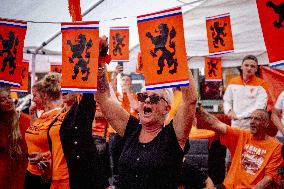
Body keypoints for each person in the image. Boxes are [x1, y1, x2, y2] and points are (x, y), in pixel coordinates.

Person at [96, 61, 197, 189]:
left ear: (166, 108)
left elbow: (190, 101)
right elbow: (104, 99)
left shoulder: (173, 135)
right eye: (143, 97)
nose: (147, 100)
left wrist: (179, 58)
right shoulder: (131, 129)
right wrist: (99, 66)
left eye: (154, 98)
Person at [196, 106, 283, 189]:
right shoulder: (242, 135)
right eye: (251, 118)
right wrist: (198, 108)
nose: (252, 121)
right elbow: (216, 124)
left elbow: (268, 178)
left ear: (266, 123)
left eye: (257, 119)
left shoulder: (276, 147)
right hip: (228, 186)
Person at [47, 92, 110, 189]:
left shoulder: (82, 111)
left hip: (73, 179)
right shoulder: (56, 115)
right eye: (62, 85)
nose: (64, 90)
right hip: (55, 178)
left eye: (68, 85)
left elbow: (88, 99)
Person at [24, 73, 62, 189]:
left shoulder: (57, 115)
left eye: (35, 95)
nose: (33, 99)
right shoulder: (42, 115)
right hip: (31, 171)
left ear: (44, 95)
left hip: (46, 174)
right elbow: (34, 132)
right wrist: (32, 114)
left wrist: (43, 156)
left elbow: (59, 148)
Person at [223, 55, 269, 129]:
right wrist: (229, 111)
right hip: (235, 123)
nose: (249, 68)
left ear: (256, 69)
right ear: (241, 67)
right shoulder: (233, 81)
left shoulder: (262, 84)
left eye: (252, 66)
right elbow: (226, 100)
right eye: (246, 65)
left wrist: (239, 116)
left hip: (252, 124)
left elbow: (259, 107)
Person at [0, 86, 29, 189]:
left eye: (8, 97)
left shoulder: (26, 120)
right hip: (3, 176)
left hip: (22, 172)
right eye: (3, 100)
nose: (8, 101)